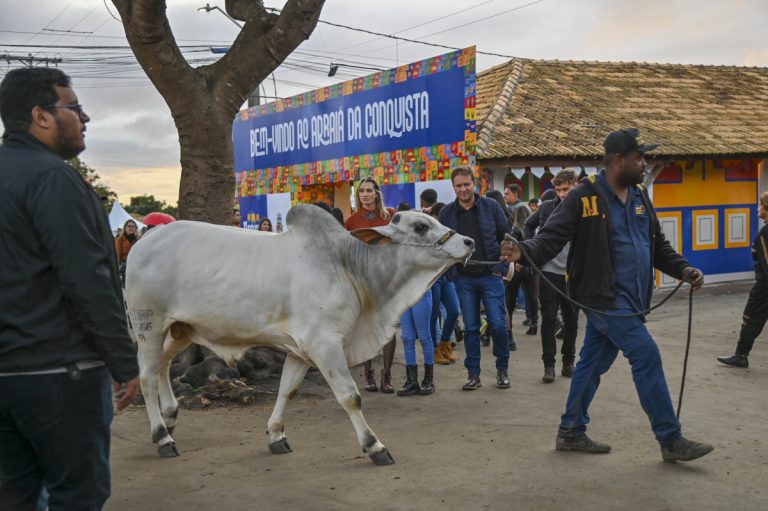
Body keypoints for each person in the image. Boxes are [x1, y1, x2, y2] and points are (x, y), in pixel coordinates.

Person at [501, 127, 712, 462]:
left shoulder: (640, 196)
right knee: (646, 355)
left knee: (591, 363)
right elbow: (549, 237)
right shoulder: (582, 197)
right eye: (638, 158)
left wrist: (683, 269)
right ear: (618, 160)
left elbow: (657, 245)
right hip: (602, 297)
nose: (644, 164)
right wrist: (522, 252)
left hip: (632, 300)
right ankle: (670, 438)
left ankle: (570, 431)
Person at [0, 67, 140, 509]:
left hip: (8, 378)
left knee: (17, 498)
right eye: (75, 107)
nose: (86, 117)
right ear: (41, 115)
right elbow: (88, 280)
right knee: (78, 496)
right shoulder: (54, 179)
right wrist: (124, 362)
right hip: (61, 374)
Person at [439, 166, 512, 390]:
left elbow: (507, 235)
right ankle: (473, 374)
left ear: (474, 183)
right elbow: (442, 247)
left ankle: (502, 370)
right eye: (459, 186)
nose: (463, 189)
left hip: (491, 276)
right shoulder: (447, 214)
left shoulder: (490, 206)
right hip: (464, 280)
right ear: (453, 187)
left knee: (499, 326)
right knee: (471, 329)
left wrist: (502, 264)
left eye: (466, 184)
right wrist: (454, 275)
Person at [524, 169, 580, 383]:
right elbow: (528, 225)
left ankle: (568, 362)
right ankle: (549, 365)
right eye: (559, 190)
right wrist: (532, 253)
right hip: (548, 272)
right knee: (548, 320)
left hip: (573, 275)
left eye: (567, 189)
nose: (563, 194)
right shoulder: (547, 207)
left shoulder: (584, 208)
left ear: (577, 184)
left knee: (572, 320)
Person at [345, 176, 397, 393]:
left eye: (369, 190)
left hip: (387, 279)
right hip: (363, 281)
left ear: (377, 193)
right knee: (366, 329)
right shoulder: (351, 222)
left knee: (389, 328)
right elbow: (347, 253)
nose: (365, 194)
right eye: (362, 191)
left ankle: (387, 375)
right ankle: (369, 375)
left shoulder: (390, 216)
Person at [717, 191, 768, 368]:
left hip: (764, 287)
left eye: (760, 205)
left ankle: (741, 355)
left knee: (751, 318)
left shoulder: (764, 234)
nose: (757, 208)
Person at [426, 202, 460, 365]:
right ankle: (434, 351)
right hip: (433, 278)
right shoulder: (431, 231)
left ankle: (445, 344)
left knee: (454, 310)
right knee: (433, 315)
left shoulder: (452, 229)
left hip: (447, 277)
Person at [504, 203, 537, 349]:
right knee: (532, 295)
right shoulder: (533, 229)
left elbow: (512, 246)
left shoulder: (515, 229)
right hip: (530, 266)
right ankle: (534, 323)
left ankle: (509, 329)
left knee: (511, 297)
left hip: (517, 266)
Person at [115, 218, 140, 286]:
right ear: (125, 228)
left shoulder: (139, 239)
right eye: (129, 226)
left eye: (133, 226)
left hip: (137, 264)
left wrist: (138, 239)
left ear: (136, 228)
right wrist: (117, 268)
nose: (131, 228)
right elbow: (118, 254)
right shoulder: (120, 240)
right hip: (125, 264)